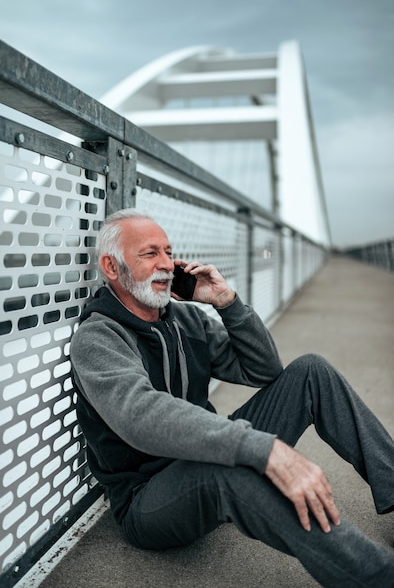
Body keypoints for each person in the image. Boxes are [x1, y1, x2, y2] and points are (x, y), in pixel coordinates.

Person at [70, 208, 394, 587]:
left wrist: (227, 303)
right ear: (112, 267)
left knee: (312, 371)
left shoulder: (185, 319)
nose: (167, 264)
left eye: (169, 252)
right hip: (147, 500)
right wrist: (264, 448)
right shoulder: (99, 337)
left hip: (198, 456)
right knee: (235, 463)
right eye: (150, 254)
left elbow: (264, 371)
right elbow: (139, 416)